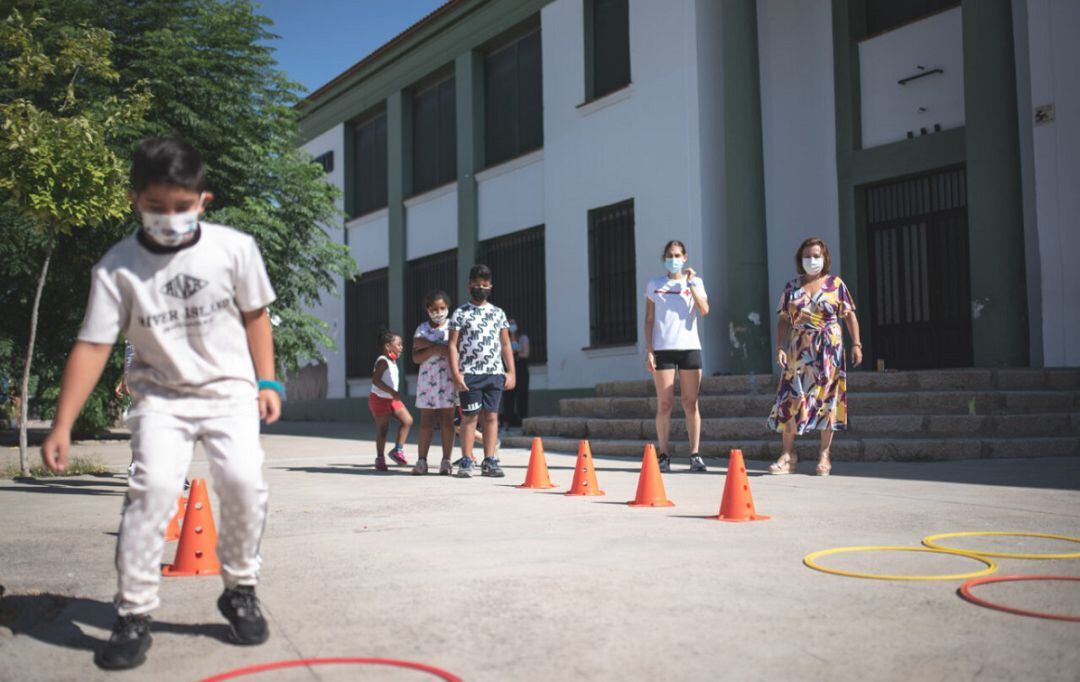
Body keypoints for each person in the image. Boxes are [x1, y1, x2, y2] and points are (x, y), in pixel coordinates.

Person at [40, 137, 282, 670]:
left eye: (181, 206)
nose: (169, 218)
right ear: (135, 200)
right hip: (161, 398)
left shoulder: (234, 249)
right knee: (150, 492)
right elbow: (94, 344)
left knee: (243, 481)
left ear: (203, 200)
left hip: (229, 392)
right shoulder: (117, 268)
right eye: (156, 207)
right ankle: (133, 613)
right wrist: (62, 423)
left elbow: (255, 316)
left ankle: (239, 587)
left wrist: (269, 383)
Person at [767, 237, 862, 476]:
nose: (812, 260)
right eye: (807, 256)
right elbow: (783, 320)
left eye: (816, 255)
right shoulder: (792, 288)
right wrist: (780, 346)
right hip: (799, 348)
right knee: (792, 397)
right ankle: (788, 455)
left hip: (829, 347)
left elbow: (849, 316)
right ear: (801, 259)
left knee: (828, 399)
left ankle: (824, 455)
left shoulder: (835, 284)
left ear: (825, 258)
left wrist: (856, 344)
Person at [644, 240, 710, 473]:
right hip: (663, 350)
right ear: (664, 258)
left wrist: (691, 284)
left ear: (685, 257)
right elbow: (649, 319)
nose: (673, 259)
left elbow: (704, 310)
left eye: (678, 255)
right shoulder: (655, 285)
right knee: (664, 404)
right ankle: (664, 454)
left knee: (690, 403)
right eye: (670, 255)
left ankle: (695, 455)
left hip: (690, 348)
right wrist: (649, 350)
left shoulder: (695, 282)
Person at [448, 264, 516, 478]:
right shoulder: (460, 313)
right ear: (469, 285)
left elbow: (505, 344)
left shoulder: (498, 313)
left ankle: (490, 460)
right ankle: (467, 460)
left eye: (485, 285)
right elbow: (452, 345)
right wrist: (456, 374)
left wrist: (511, 372)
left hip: (494, 373)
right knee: (470, 417)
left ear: (491, 286)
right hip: (469, 374)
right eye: (477, 284)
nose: (481, 288)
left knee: (491, 417)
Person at [411, 291, 456, 475]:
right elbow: (416, 357)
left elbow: (453, 350)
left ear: (448, 308)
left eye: (442, 308)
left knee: (447, 421)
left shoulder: (453, 326)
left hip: (448, 381)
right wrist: (436, 348)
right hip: (427, 383)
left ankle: (446, 460)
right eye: (434, 309)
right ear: (427, 309)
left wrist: (430, 345)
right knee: (426, 421)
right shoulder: (421, 329)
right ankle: (422, 460)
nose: (439, 312)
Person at [369, 330, 412, 471]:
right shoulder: (383, 361)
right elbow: (375, 380)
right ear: (388, 346)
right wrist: (392, 392)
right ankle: (380, 458)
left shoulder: (392, 361)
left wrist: (392, 394)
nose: (401, 347)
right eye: (398, 344)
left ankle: (397, 450)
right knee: (383, 429)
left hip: (390, 398)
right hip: (380, 399)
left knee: (407, 421)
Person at [500, 317, 530, 428]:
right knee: (509, 395)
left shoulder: (523, 338)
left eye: (513, 323)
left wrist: (515, 352)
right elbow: (506, 353)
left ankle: (522, 418)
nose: (511, 326)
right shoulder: (504, 339)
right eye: (509, 324)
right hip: (509, 368)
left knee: (522, 394)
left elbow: (525, 354)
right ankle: (509, 420)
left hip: (521, 368)